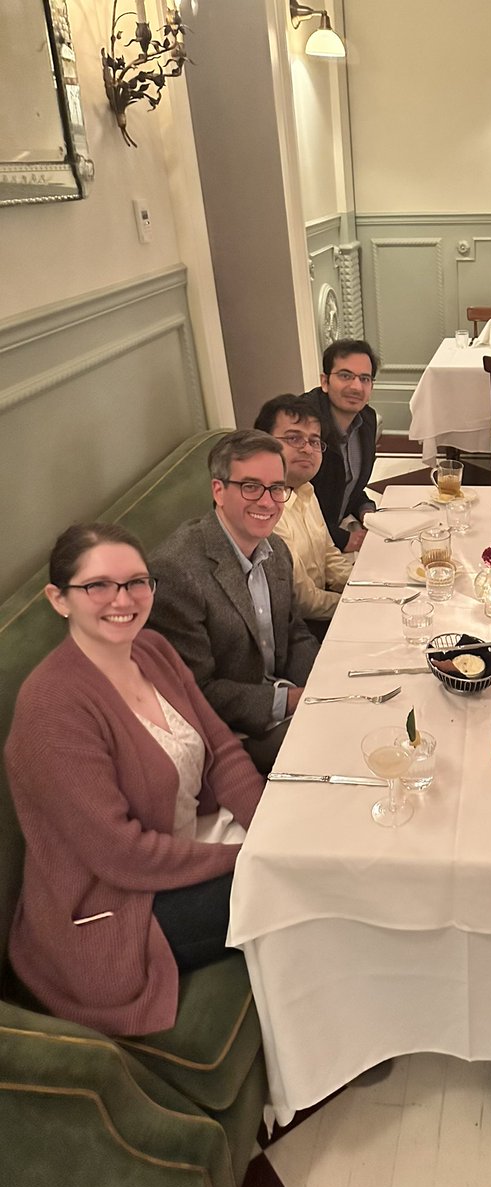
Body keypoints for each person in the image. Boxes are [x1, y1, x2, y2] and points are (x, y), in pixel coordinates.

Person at [4, 523, 264, 1037]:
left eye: (137, 582)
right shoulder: (53, 708)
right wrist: (254, 856)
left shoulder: (152, 650)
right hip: (113, 906)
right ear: (59, 599)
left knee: (319, 852)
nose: (122, 600)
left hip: (188, 840)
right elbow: (122, 854)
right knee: (301, 887)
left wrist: (270, 828)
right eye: (97, 585)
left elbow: (223, 753)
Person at [149, 430, 318, 774]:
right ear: (218, 490)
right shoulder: (178, 571)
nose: (268, 502)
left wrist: (320, 684)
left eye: (276, 488)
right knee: (338, 740)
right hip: (232, 732)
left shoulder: (276, 550)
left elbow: (294, 630)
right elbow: (196, 691)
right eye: (251, 487)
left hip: (283, 696)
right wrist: (290, 701)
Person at [254, 394, 353, 641]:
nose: (308, 448)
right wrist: (354, 604)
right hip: (295, 628)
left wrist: (362, 585)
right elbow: (303, 601)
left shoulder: (305, 488)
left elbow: (329, 554)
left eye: (314, 441)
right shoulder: (265, 507)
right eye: (294, 438)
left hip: (324, 606)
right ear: (263, 443)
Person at [301, 338, 380, 553]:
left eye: (364, 378)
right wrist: (344, 539)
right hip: (307, 548)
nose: (356, 386)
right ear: (325, 382)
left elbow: (346, 484)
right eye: (345, 376)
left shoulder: (366, 420)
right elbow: (293, 506)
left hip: (339, 529)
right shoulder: (302, 426)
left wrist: (365, 509)